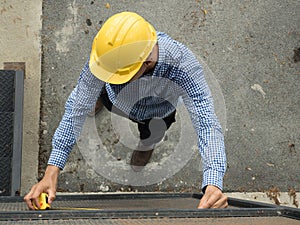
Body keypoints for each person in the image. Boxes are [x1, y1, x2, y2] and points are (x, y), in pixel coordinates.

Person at [24, 11, 228, 209]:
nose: (106, 76)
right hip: (117, 101)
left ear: (147, 62)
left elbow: (207, 121)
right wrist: (52, 170)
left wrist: (213, 182)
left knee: (152, 135)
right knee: (94, 95)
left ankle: (146, 145)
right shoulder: (109, 57)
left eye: (116, 75)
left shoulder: (183, 65)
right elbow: (76, 108)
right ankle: (99, 100)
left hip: (157, 114)